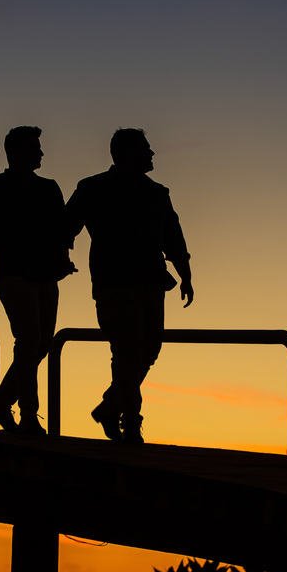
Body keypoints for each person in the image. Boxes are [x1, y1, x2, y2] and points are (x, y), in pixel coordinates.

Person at [66, 128, 193, 445]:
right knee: (127, 349)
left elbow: (173, 238)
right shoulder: (94, 188)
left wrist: (186, 274)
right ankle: (131, 424)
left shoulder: (157, 193)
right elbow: (66, 226)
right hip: (114, 283)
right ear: (125, 154)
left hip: (150, 282)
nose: (152, 155)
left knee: (149, 349)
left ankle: (111, 407)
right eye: (146, 150)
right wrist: (60, 256)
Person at [0, 126, 74, 436]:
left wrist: (63, 261)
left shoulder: (49, 188)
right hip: (12, 274)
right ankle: (28, 415)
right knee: (28, 341)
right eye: (35, 147)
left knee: (41, 345)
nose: (41, 153)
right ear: (16, 151)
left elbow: (62, 230)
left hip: (46, 275)